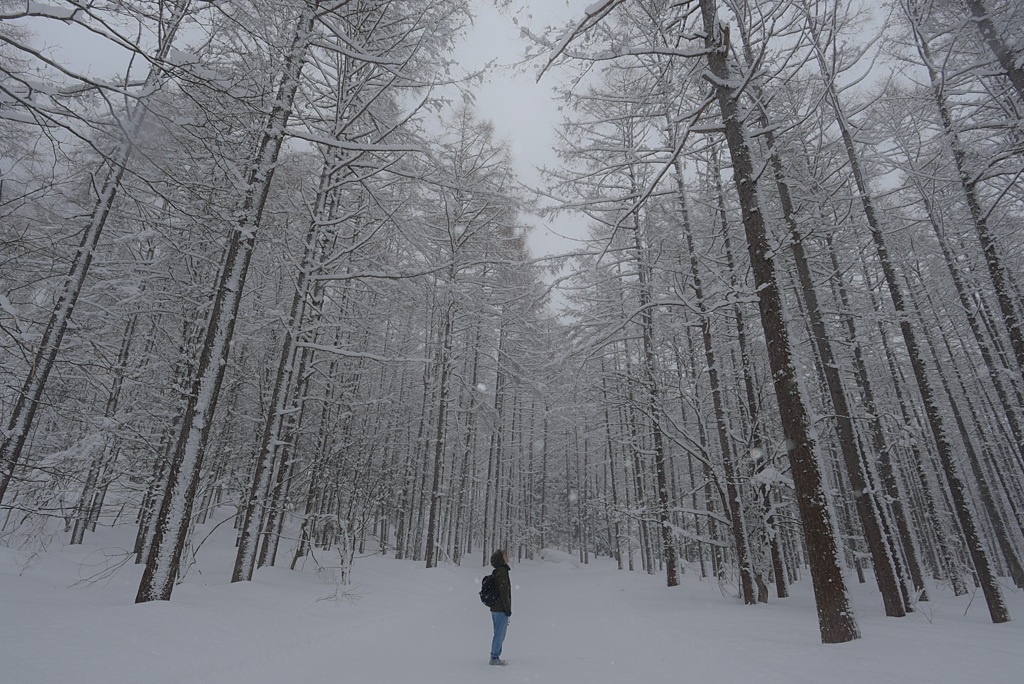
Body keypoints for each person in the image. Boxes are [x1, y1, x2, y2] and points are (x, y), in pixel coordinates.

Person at [488, 549, 512, 666]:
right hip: (500, 609)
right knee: (499, 634)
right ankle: (494, 657)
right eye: (505, 554)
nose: (507, 556)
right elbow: (504, 591)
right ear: (501, 559)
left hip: (496, 608)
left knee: (498, 633)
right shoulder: (502, 571)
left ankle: (495, 655)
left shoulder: (499, 571)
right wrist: (507, 608)